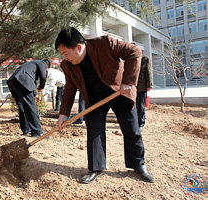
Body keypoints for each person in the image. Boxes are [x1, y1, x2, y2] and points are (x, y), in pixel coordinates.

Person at [55, 27, 154, 184]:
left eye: (65, 53)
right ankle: (96, 167)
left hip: (118, 91)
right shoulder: (68, 65)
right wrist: (63, 114)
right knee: (94, 130)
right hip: (95, 99)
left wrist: (128, 82)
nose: (65, 58)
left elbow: (134, 52)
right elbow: (69, 88)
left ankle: (138, 164)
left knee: (131, 128)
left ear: (79, 47)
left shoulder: (104, 44)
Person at [7, 59, 51, 137]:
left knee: (22, 107)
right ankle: (37, 132)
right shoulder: (42, 63)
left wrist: (35, 94)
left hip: (12, 82)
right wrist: (41, 86)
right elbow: (43, 76)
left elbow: (30, 81)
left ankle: (26, 130)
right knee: (31, 107)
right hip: (22, 81)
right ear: (47, 67)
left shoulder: (30, 65)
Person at [136, 54, 153, 132]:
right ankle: (135, 122)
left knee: (141, 106)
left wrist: (149, 85)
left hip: (141, 87)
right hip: (132, 88)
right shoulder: (129, 58)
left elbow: (149, 72)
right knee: (133, 106)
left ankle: (141, 124)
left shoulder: (145, 59)